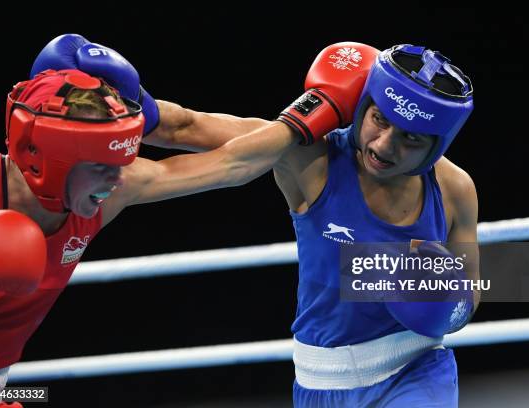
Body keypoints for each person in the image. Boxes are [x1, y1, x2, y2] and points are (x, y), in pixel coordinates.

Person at [0, 35, 378, 407]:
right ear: (47, 159)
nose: (119, 178)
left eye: (121, 160)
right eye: (102, 167)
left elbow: (230, 163)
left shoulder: (114, 189)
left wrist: (316, 111)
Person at [163, 43, 480, 407]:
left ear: (435, 146)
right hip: (322, 379)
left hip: (418, 368)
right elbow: (186, 127)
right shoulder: (311, 158)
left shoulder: (455, 189)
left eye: (411, 137)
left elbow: (471, 293)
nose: (385, 145)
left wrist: (445, 306)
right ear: (362, 106)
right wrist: (126, 104)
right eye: (380, 119)